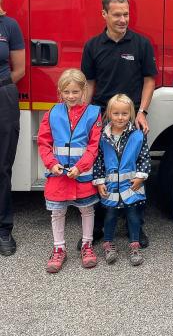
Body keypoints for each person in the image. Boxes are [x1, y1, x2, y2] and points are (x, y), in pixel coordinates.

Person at [81, 0, 157, 248]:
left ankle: (137, 226)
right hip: (103, 114)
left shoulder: (141, 44)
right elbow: (89, 83)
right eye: (117, 14)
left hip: (133, 117)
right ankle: (103, 225)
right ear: (104, 15)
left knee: (135, 168)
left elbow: (149, 80)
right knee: (103, 168)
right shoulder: (92, 46)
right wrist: (86, 115)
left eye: (126, 14)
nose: (123, 19)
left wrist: (143, 112)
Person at [37, 69, 102, 273]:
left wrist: (80, 166)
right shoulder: (52, 113)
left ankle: (87, 245)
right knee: (57, 212)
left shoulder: (93, 113)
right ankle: (59, 248)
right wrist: (50, 163)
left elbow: (94, 146)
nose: (71, 96)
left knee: (87, 210)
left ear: (83, 90)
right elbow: (44, 142)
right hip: (58, 175)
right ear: (60, 92)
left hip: (81, 174)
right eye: (67, 92)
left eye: (75, 91)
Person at [93, 94, 151, 267]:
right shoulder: (102, 136)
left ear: (131, 114)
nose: (120, 117)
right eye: (116, 113)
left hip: (132, 186)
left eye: (124, 114)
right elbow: (98, 160)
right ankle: (108, 245)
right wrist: (99, 181)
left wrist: (141, 177)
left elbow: (144, 158)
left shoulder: (138, 135)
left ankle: (134, 246)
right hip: (111, 188)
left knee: (133, 216)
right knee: (110, 216)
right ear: (109, 114)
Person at [0, 0, 25, 256]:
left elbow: (19, 69)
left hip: (2, 95)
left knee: (2, 166)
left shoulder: (9, 26)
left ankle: (3, 229)